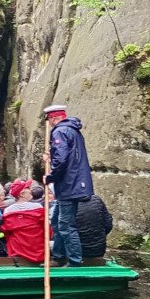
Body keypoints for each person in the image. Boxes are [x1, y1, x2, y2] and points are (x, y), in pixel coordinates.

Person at [43, 104, 93, 268]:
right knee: (57, 221)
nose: (50, 124)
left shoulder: (60, 131)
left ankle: (74, 261)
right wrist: (50, 156)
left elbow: (62, 159)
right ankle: (59, 257)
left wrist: (50, 177)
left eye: (50, 120)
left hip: (69, 186)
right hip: (74, 184)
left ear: (54, 118)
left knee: (65, 224)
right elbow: (67, 156)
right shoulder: (73, 131)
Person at [2, 181, 47, 263]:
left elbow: (6, 232)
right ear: (22, 194)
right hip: (38, 250)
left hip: (16, 251)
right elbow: (47, 230)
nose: (31, 190)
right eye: (28, 188)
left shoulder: (7, 211)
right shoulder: (38, 207)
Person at [71, 193, 113, 259]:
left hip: (75, 252)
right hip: (98, 250)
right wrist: (99, 236)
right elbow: (108, 225)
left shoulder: (66, 203)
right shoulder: (97, 200)